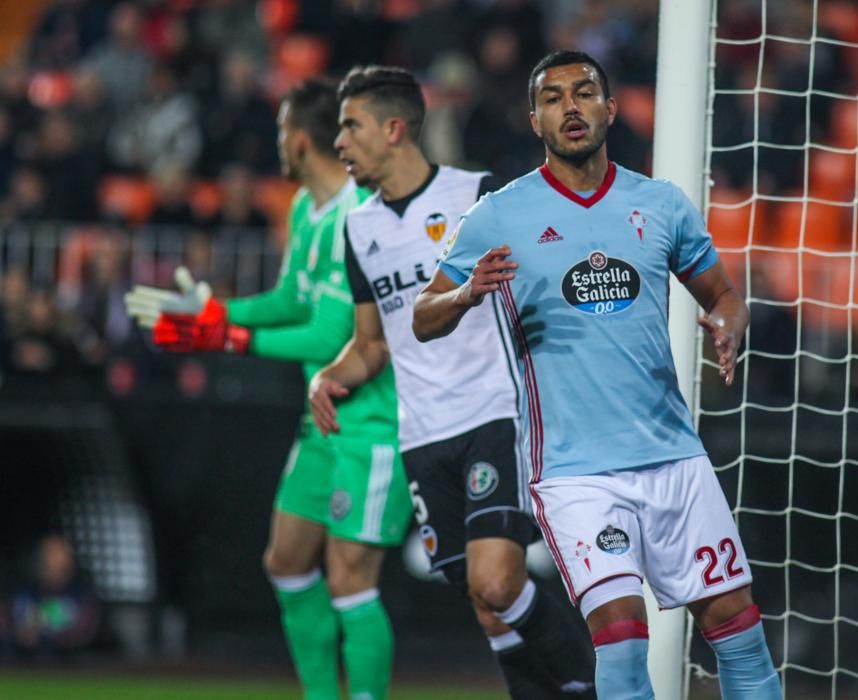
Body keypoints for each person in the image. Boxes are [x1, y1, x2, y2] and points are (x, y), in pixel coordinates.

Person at [413, 50, 782, 700]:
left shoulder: (660, 204)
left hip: (674, 458)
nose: (571, 106)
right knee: (620, 634)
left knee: (737, 626)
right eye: (553, 97)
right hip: (576, 473)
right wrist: (467, 293)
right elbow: (423, 317)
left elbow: (724, 296)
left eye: (584, 92)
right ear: (535, 120)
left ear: (611, 109)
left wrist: (729, 323)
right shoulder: (501, 214)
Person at [308, 65, 596, 698]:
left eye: (350, 126)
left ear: (394, 129)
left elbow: (550, 276)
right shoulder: (358, 229)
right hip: (422, 434)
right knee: (485, 602)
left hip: (494, 413)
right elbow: (372, 344)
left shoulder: (478, 195)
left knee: (497, 581)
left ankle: (596, 685)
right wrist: (331, 375)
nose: (340, 143)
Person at [131, 79, 412, 700]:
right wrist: (218, 311)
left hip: (372, 423)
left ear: (300, 138)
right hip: (322, 422)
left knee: (350, 579)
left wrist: (222, 339)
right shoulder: (304, 210)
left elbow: (330, 334)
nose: (279, 142)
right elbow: (291, 299)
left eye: (284, 129)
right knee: (285, 562)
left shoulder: (355, 217)